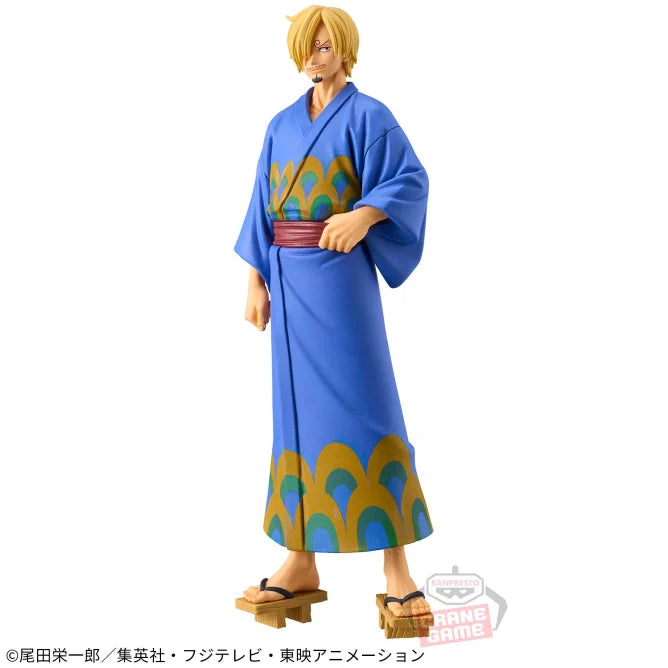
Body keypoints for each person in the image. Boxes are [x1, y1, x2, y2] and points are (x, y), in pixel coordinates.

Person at [234, 4, 435, 623]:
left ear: (345, 49)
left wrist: (364, 215)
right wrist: (255, 279)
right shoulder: (280, 125)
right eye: (306, 47)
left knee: (368, 405)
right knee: (295, 417)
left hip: (341, 280)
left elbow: (409, 179)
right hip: (288, 283)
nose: (313, 58)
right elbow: (261, 205)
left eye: (324, 47)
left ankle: (397, 568)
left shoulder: (370, 116)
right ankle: (300, 559)